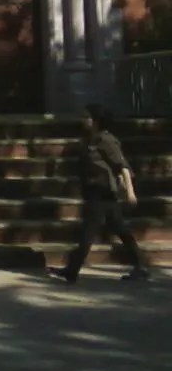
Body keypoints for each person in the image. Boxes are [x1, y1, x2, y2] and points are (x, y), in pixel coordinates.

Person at [48, 104, 149, 283]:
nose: (83, 119)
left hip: (102, 193)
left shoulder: (106, 140)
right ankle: (140, 265)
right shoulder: (91, 139)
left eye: (87, 116)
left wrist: (130, 191)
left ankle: (72, 271)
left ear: (95, 120)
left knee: (87, 233)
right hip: (97, 193)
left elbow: (122, 166)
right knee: (120, 229)